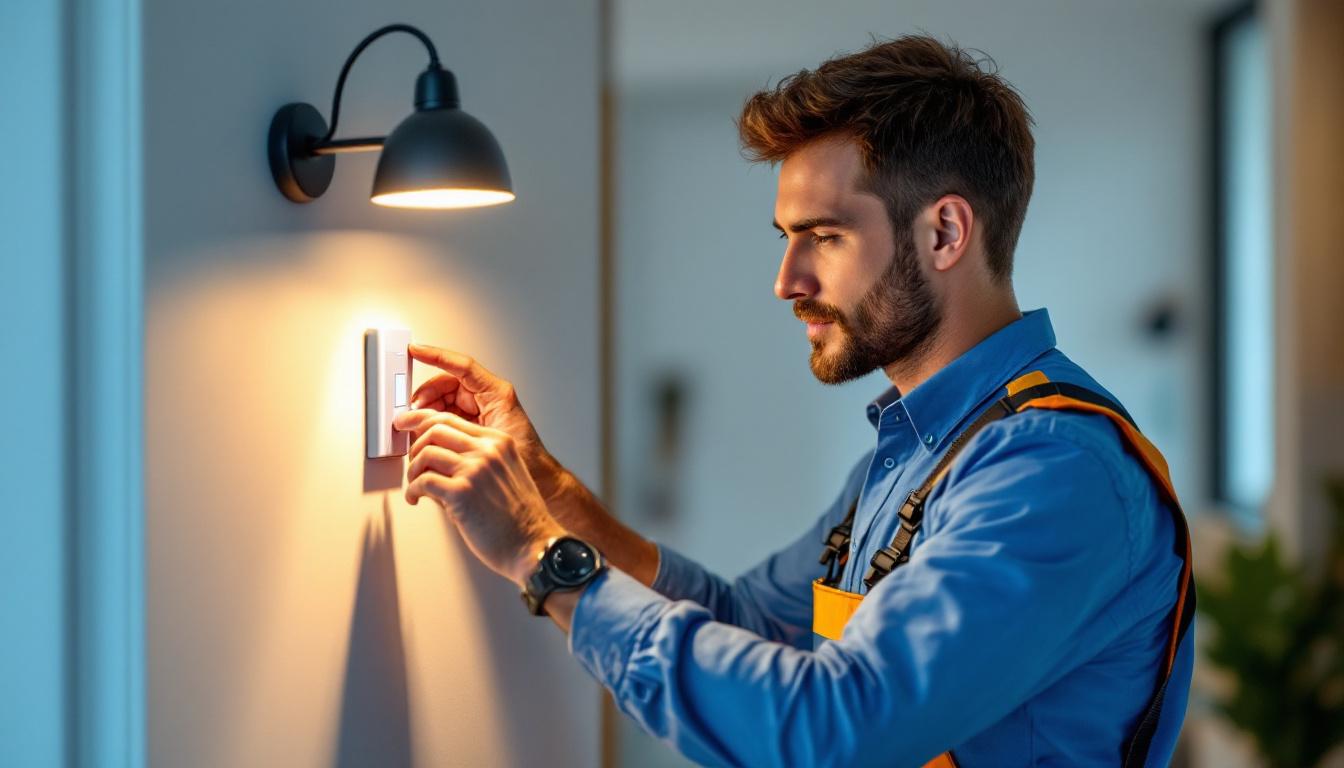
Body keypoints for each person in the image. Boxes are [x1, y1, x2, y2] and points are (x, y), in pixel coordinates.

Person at [391, 34, 1194, 767]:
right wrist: (552, 495)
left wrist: (543, 557)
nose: (788, 282)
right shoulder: (918, 450)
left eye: (826, 236)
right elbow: (749, 623)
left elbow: (835, 729)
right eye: (787, 239)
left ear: (945, 234)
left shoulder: (1054, 472)